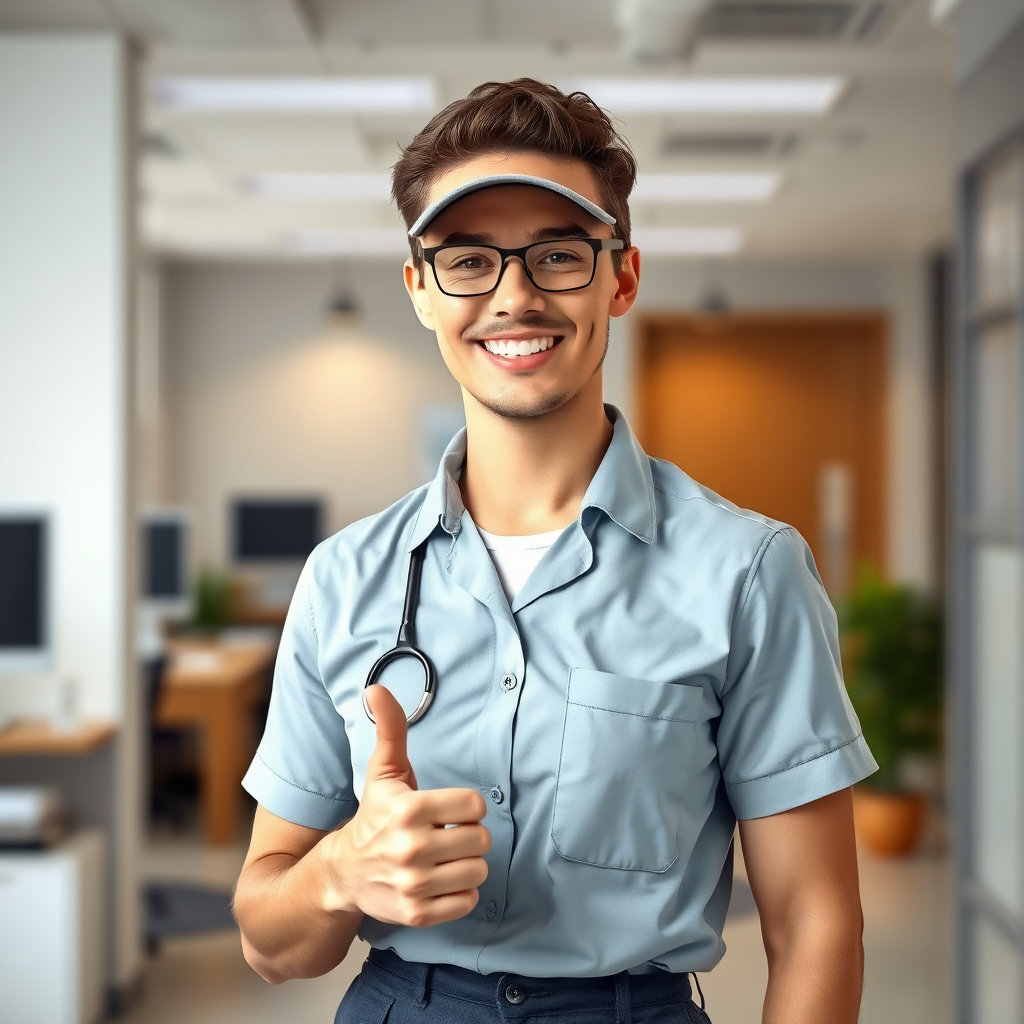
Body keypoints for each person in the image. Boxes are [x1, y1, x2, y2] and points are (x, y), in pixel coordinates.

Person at [233, 79, 877, 1024]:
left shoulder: (745, 571)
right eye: (467, 261)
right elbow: (270, 943)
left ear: (621, 276)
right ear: (419, 290)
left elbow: (817, 920)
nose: (515, 295)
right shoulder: (344, 578)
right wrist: (340, 870)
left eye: (558, 256)